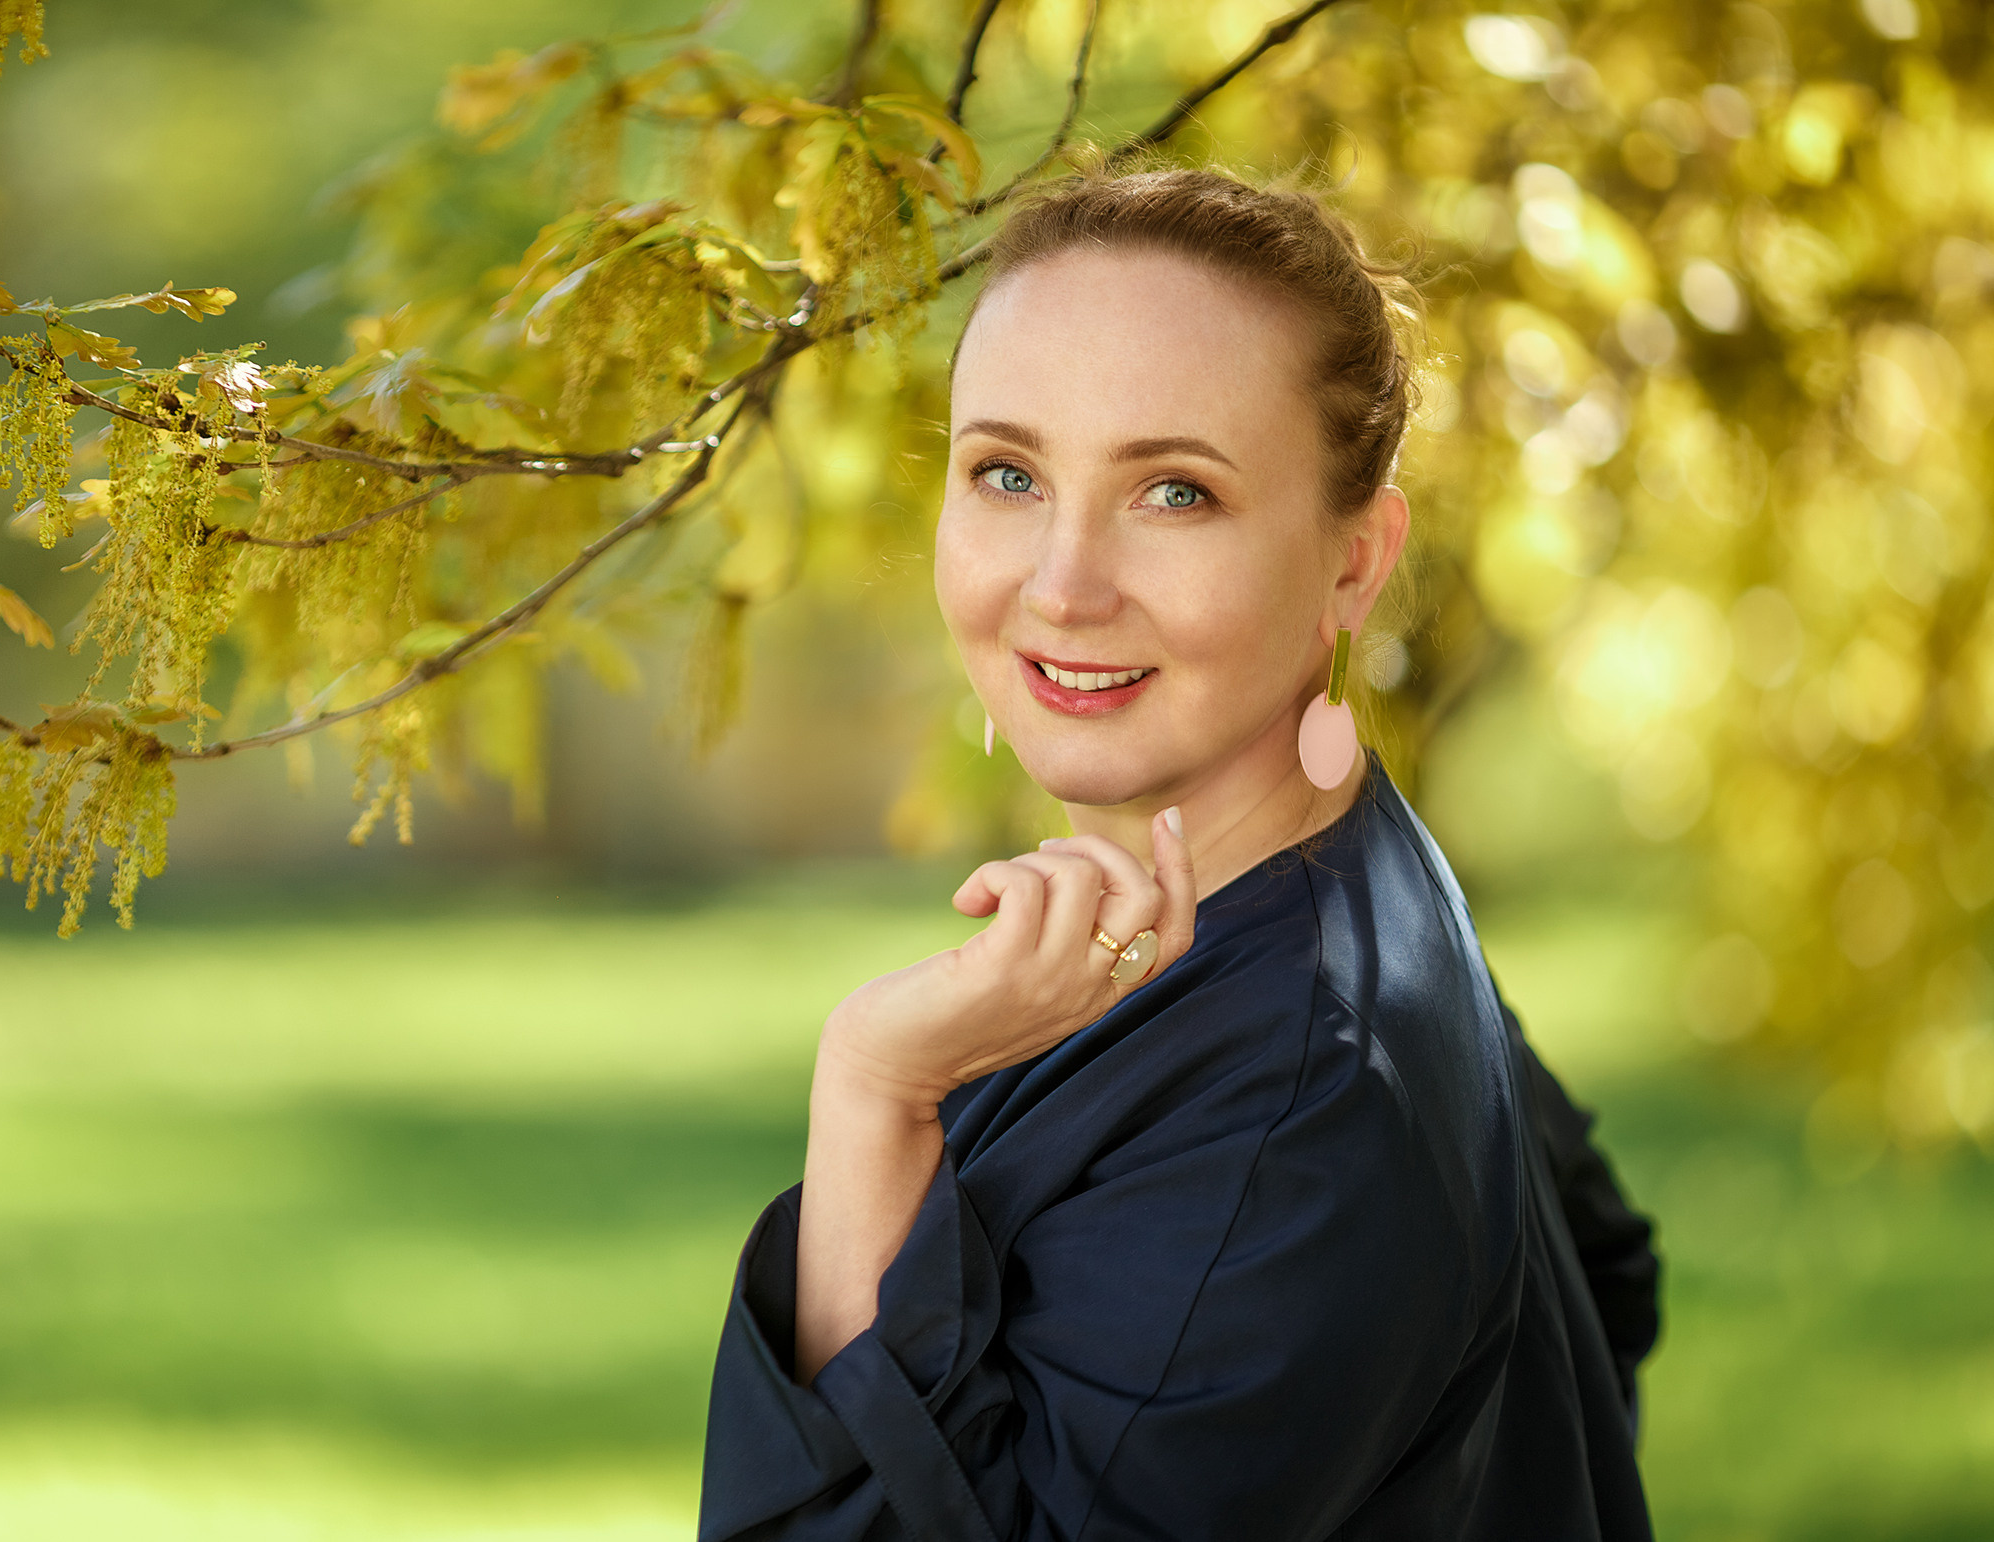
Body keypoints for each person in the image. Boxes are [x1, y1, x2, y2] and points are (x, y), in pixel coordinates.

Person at [697, 169, 1660, 1542]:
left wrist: (873, 1089)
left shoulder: (1294, 1096)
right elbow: (1597, 1272)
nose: (1062, 584)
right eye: (1008, 473)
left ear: (1354, 559)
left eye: (1174, 492)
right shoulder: (1353, 883)